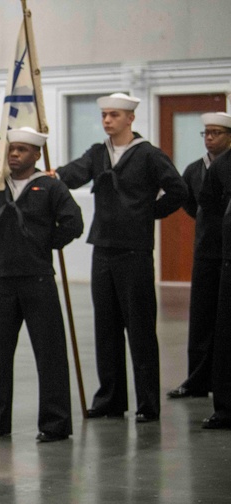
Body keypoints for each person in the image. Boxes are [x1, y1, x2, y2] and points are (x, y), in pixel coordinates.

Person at [56, 93, 187, 422]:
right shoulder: (99, 154)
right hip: (103, 248)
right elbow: (71, 175)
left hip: (135, 251)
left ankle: (147, 403)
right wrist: (50, 175)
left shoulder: (148, 155)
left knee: (140, 328)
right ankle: (110, 400)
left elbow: (178, 191)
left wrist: (147, 213)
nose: (107, 121)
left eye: (114, 115)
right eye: (104, 115)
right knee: (106, 327)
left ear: (130, 118)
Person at [0, 128, 83, 442]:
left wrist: (46, 242)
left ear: (36, 155)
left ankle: (55, 424)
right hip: (5, 282)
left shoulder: (51, 186)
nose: (14, 155)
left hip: (38, 280)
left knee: (49, 353)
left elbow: (74, 222)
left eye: (22, 150)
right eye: (12, 149)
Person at [167, 112, 231, 400]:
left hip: (228, 251)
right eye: (206, 133)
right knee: (202, 318)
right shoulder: (194, 169)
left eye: (216, 132)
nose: (209, 138)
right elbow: (190, 204)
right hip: (206, 251)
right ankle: (197, 380)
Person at [198, 145, 231, 429]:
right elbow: (208, 205)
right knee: (226, 337)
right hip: (229, 260)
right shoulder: (222, 166)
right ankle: (226, 408)